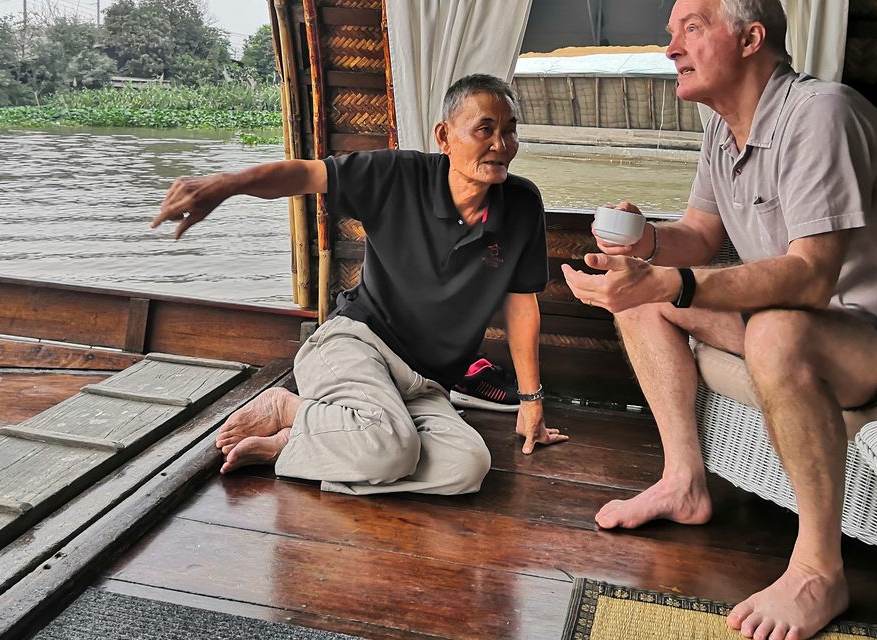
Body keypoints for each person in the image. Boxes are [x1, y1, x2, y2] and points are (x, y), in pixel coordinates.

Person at [562, 0, 877, 640]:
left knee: (775, 331)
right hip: (821, 327)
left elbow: (810, 279)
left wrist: (674, 282)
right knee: (641, 298)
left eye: (690, 28)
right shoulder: (723, 132)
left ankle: (819, 571)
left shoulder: (822, 113)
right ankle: (684, 482)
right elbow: (698, 233)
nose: (671, 48)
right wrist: (650, 246)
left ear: (752, 38)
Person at [152, 73, 567, 497]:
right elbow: (303, 175)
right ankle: (288, 407)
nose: (501, 144)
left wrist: (531, 400)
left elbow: (521, 303)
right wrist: (226, 185)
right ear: (444, 136)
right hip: (357, 344)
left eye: (510, 130)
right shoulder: (399, 175)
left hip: (425, 382)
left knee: (467, 469)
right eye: (485, 129)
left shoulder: (521, 203)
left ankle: (297, 443)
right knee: (391, 448)